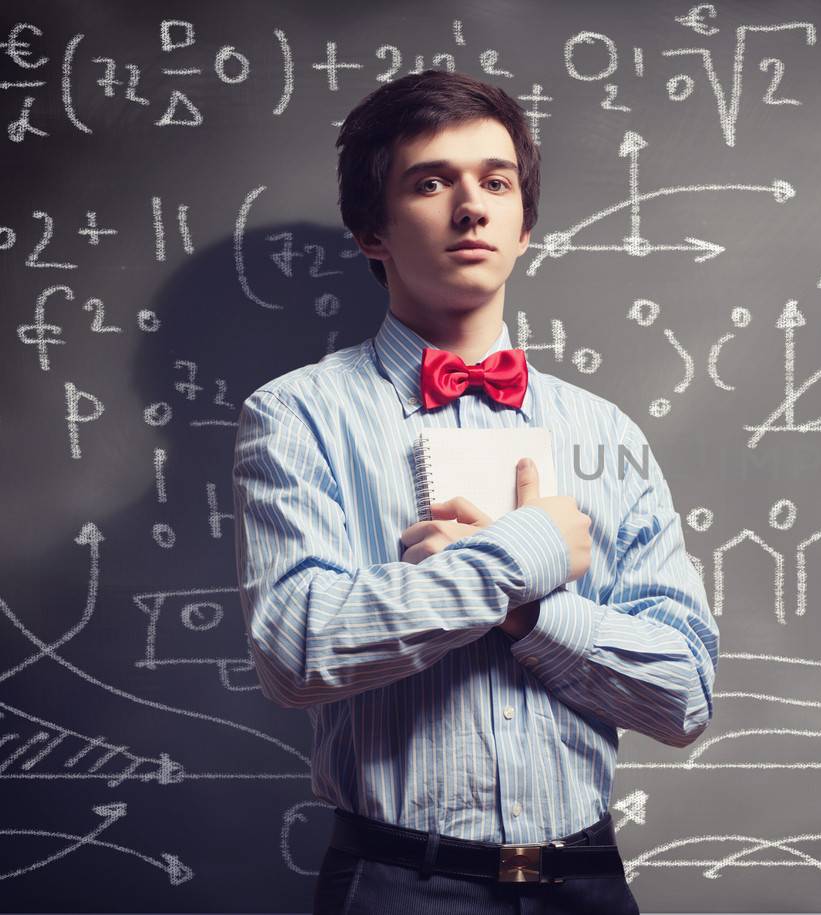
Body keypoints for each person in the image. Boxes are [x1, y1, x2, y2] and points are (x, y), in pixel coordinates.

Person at [231, 70, 718, 914]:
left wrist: (532, 612)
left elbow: (684, 695)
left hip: (587, 883)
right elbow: (294, 649)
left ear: (525, 225)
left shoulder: (608, 433)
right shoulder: (295, 414)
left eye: (495, 181)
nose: (471, 206)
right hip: (396, 883)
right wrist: (516, 558)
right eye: (430, 182)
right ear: (370, 231)